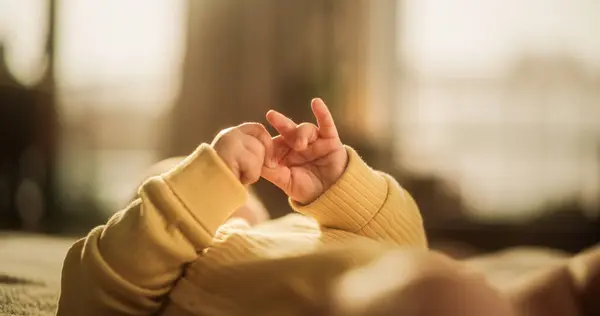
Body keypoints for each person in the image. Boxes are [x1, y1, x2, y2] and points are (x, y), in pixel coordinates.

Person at [56, 98, 510, 315]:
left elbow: (406, 240)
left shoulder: (302, 229)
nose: (229, 196)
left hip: (406, 286)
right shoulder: (175, 278)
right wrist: (206, 179)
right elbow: (98, 286)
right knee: (448, 295)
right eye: (180, 185)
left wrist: (340, 186)